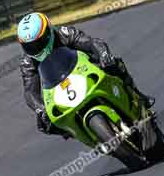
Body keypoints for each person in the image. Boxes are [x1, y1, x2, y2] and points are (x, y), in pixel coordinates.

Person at [17, 12, 154, 137]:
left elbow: (92, 43)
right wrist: (40, 109)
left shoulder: (65, 34)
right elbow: (30, 91)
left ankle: (138, 96)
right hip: (59, 87)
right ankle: (80, 133)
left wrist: (104, 55)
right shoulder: (27, 62)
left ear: (48, 32)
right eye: (30, 46)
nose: (36, 48)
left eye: (39, 42)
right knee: (44, 124)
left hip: (86, 69)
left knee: (115, 65)